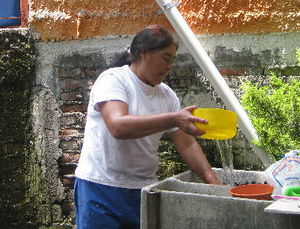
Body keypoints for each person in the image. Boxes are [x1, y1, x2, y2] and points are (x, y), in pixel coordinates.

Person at [73, 25, 221, 229]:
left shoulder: (166, 95)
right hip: (100, 188)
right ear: (144, 53)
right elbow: (118, 126)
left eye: (173, 60)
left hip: (143, 191)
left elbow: (187, 145)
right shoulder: (114, 80)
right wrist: (173, 119)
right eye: (165, 58)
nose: (170, 67)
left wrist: (215, 186)